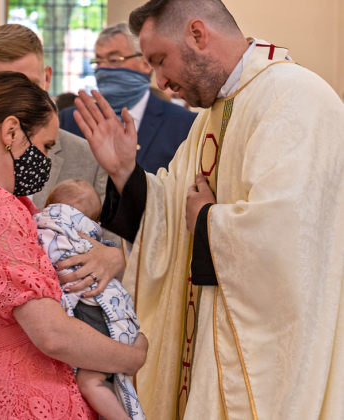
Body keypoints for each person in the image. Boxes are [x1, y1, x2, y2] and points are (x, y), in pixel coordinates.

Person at [71, 0, 344, 419]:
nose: (160, 82)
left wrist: (205, 220)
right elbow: (169, 212)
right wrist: (127, 173)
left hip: (269, 369)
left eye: (161, 60)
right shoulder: (209, 118)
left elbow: (289, 236)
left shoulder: (297, 99)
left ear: (198, 34)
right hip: (205, 353)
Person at [0, 71, 147, 419]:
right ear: (11, 131)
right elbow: (53, 335)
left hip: (2, 395)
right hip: (32, 399)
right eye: (45, 146)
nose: (45, 159)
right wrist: (136, 356)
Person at [34, 179, 145, 420]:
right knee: (105, 379)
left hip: (90, 312)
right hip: (113, 310)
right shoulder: (92, 238)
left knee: (90, 382)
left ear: (47, 205)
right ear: (96, 223)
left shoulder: (40, 227)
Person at [59, 22, 197, 175]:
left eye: (114, 60)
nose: (103, 70)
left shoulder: (184, 125)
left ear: (145, 64)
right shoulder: (72, 121)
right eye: (98, 62)